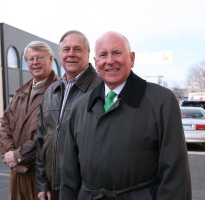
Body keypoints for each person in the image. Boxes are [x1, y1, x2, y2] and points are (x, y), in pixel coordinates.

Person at [59, 31, 192, 200]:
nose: (110, 60)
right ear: (96, 63)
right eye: (102, 55)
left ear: (132, 58)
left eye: (117, 53)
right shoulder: (80, 106)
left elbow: (175, 173)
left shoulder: (162, 101)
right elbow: (69, 173)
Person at [36, 30, 102, 200]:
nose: (71, 54)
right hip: (55, 189)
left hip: (88, 191)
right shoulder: (51, 91)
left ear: (88, 54)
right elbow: (42, 140)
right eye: (66, 49)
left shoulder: (101, 89)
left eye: (77, 49)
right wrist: (43, 183)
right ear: (60, 54)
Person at [0, 41, 58, 200]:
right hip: (16, 175)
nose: (35, 62)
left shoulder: (59, 92)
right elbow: (5, 126)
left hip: (42, 179)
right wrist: (11, 155)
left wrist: (19, 156)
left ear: (51, 59)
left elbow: (51, 137)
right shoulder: (20, 93)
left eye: (40, 58)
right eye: (31, 59)